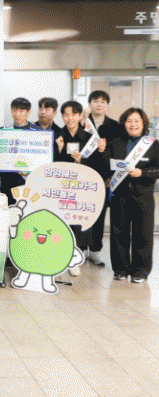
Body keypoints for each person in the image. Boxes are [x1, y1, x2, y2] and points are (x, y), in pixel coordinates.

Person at [100, 108, 159, 283]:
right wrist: (102, 152)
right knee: (118, 232)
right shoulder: (116, 142)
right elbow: (107, 166)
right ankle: (120, 269)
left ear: (144, 123)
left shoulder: (154, 145)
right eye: (129, 121)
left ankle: (140, 270)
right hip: (120, 195)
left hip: (144, 196)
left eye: (136, 121)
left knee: (143, 234)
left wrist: (143, 173)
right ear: (124, 124)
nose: (133, 124)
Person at [54, 101, 105, 276]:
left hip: (81, 187)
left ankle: (74, 259)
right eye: (66, 115)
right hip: (61, 187)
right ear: (62, 116)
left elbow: (98, 164)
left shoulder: (89, 137)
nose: (70, 118)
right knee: (61, 221)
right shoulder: (57, 135)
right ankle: (59, 257)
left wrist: (82, 160)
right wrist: (60, 149)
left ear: (79, 116)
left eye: (73, 114)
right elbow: (50, 163)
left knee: (78, 221)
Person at [84, 90, 123, 266]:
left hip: (104, 178)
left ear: (107, 105)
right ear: (90, 103)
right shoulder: (83, 123)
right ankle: (81, 248)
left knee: (99, 215)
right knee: (82, 213)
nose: (99, 105)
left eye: (102, 102)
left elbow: (117, 153)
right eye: (95, 101)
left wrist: (110, 176)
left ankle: (95, 250)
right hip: (83, 177)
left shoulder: (114, 126)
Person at [0, 97, 43, 205]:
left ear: (29, 112)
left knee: (28, 211)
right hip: (8, 182)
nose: (17, 114)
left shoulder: (39, 132)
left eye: (21, 111)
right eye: (14, 110)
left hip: (30, 183)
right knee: (9, 211)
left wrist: (29, 170)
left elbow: (42, 160)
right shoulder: (2, 132)